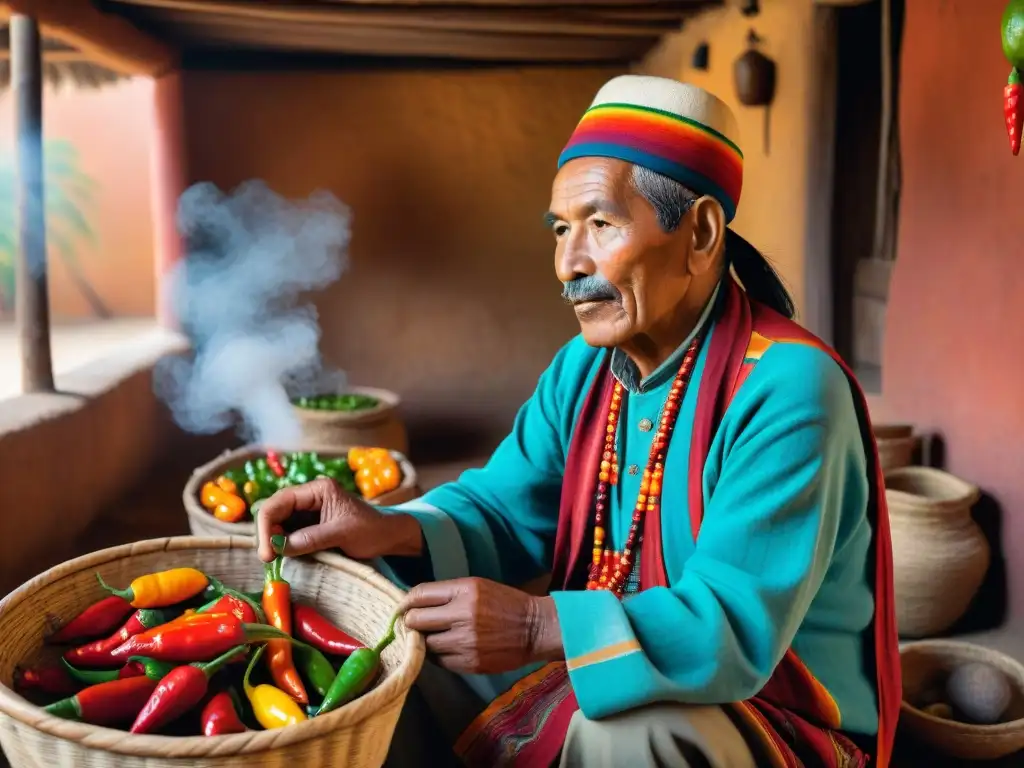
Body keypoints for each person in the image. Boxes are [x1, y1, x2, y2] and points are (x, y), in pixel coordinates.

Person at [257, 75, 901, 768]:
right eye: (562, 229)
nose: (569, 263)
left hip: (766, 709)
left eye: (600, 224)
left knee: (628, 735)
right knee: (390, 628)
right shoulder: (584, 368)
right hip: (597, 658)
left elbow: (731, 628)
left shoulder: (789, 387)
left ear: (702, 233)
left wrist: (536, 622)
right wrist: (388, 526)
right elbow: (504, 506)